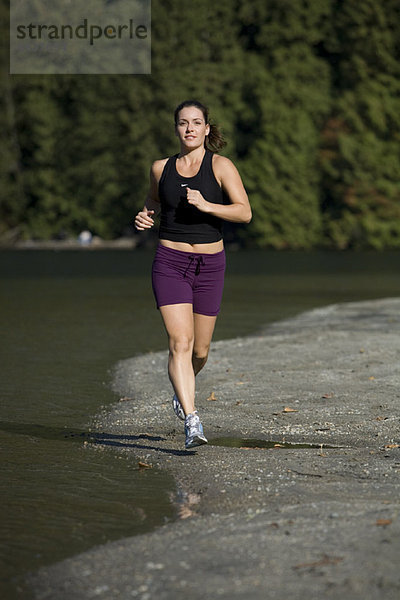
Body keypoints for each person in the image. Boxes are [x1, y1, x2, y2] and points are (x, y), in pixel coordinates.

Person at [134, 99, 251, 449]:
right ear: (176, 129)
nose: (189, 129)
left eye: (196, 122)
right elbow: (153, 200)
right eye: (183, 123)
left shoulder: (221, 167)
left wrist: (207, 205)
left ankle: (182, 388)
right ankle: (192, 418)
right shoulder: (160, 168)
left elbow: (244, 213)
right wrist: (144, 215)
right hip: (170, 262)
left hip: (211, 266)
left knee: (200, 350)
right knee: (179, 344)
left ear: (206, 128)